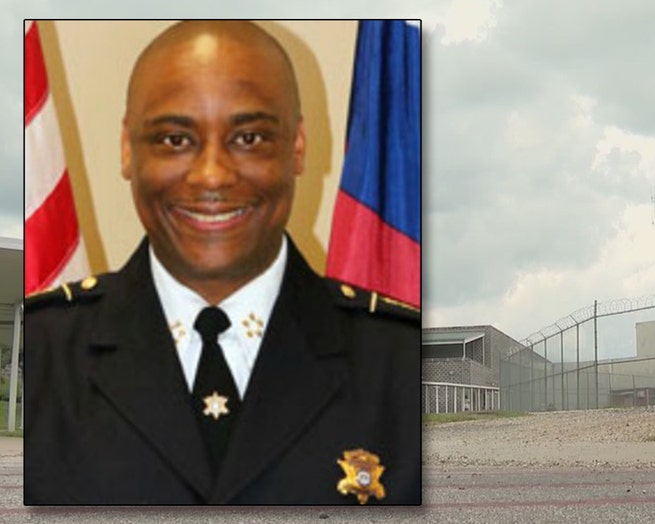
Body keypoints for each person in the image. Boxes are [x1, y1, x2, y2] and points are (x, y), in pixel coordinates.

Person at [24, 20, 420, 505]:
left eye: (249, 138)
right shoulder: (40, 356)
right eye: (174, 139)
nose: (212, 175)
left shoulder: (402, 367)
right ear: (128, 148)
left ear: (297, 146)